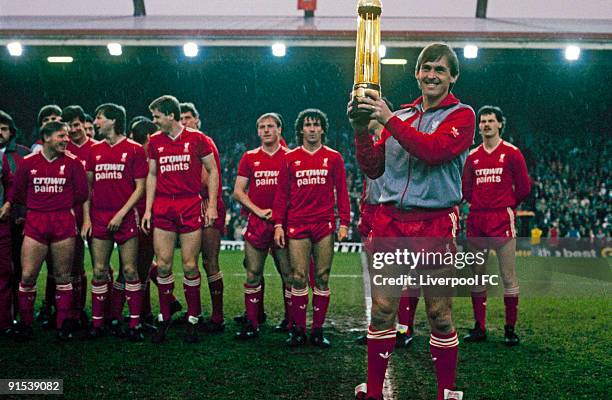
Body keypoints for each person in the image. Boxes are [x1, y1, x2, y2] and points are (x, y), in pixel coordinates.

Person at [349, 43, 475, 400]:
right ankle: (373, 392)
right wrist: (361, 130)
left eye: (440, 69)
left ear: (452, 77)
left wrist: (386, 118)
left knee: (438, 314)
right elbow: (374, 168)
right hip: (391, 222)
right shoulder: (401, 115)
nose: (432, 75)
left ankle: (447, 392)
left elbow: (433, 151)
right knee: (384, 310)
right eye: (426, 68)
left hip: (434, 223)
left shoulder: (463, 116)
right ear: (416, 73)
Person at [141, 95, 219, 343]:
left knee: (189, 265)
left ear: (170, 115)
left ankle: (193, 318)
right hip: (164, 204)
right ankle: (165, 317)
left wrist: (213, 205)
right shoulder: (154, 141)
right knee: (163, 265)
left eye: (157, 116)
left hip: (188, 202)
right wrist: (148, 209)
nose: (154, 121)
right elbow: (152, 175)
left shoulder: (197, 139)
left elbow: (213, 170)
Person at [273, 108, 350, 348]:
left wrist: (344, 222)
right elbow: (281, 195)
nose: (313, 129)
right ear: (301, 130)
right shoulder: (289, 158)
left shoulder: (334, 157)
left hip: (324, 224)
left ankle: (317, 330)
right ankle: (297, 330)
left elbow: (343, 191)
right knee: (297, 278)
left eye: (317, 125)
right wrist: (277, 224)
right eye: (308, 125)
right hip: (297, 223)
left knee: (322, 277)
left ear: (323, 129)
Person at [8, 121, 88, 341]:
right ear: (46, 137)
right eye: (61, 136)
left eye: (67, 137)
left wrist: (57, 205)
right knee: (27, 276)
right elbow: (18, 193)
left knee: (63, 276)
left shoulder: (74, 163)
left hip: (63, 220)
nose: (66, 140)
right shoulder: (27, 163)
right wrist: (40, 205)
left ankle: (63, 324)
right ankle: (25, 324)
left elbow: (81, 194)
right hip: (36, 221)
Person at [462, 105, 531, 346]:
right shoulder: (472, 156)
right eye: (482, 121)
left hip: (502, 218)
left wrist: (506, 203)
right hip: (478, 219)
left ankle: (510, 329)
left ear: (500, 124)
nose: (486, 125)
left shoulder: (512, 153)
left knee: (508, 275)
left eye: (491, 120)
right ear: (478, 126)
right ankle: (479, 327)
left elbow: (524, 187)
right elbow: (466, 190)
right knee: (477, 276)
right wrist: (481, 203)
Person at [353, 102, 418, 348]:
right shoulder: (370, 143)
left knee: (407, 275)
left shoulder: (398, 138)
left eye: (369, 112)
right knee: (378, 276)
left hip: (395, 211)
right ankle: (381, 327)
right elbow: (369, 182)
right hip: (372, 212)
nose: (365, 117)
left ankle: (405, 327)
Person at [81, 103, 148, 341]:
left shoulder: (134, 150)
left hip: (125, 216)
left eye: (100, 118)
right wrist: (87, 218)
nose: (96, 123)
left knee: (130, 270)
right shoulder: (93, 150)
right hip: (99, 216)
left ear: (113, 121)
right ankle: (98, 324)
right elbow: (87, 189)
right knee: (99, 271)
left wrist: (121, 214)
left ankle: (134, 324)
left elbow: (140, 188)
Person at [233, 112, 291, 339]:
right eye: (262, 127)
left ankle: (290, 321)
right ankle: (252, 324)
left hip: (283, 224)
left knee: (288, 274)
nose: (266, 130)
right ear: (258, 131)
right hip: (257, 222)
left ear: (279, 130)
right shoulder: (249, 157)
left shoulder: (290, 157)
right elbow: (238, 191)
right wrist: (258, 211)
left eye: (271, 126)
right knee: (252, 273)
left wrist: (279, 216)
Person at [179, 102, 226, 332]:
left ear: (197, 120)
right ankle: (192, 313)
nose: (185, 122)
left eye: (188, 117)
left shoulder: (203, 142)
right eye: (181, 118)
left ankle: (217, 316)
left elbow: (208, 180)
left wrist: (210, 206)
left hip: (207, 203)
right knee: (182, 262)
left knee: (209, 261)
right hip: (184, 206)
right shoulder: (179, 145)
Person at [62, 105, 96, 329]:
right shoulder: (63, 150)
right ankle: (75, 311)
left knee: (101, 265)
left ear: (84, 124)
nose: (73, 130)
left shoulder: (97, 148)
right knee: (74, 266)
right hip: (70, 214)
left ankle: (107, 314)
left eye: (76, 124)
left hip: (99, 213)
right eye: (69, 126)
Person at [0, 110, 30, 333]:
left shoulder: (23, 154)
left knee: (15, 271)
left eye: (3, 129)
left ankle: (15, 317)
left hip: (16, 222)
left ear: (11, 131)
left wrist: (14, 208)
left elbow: (23, 188)